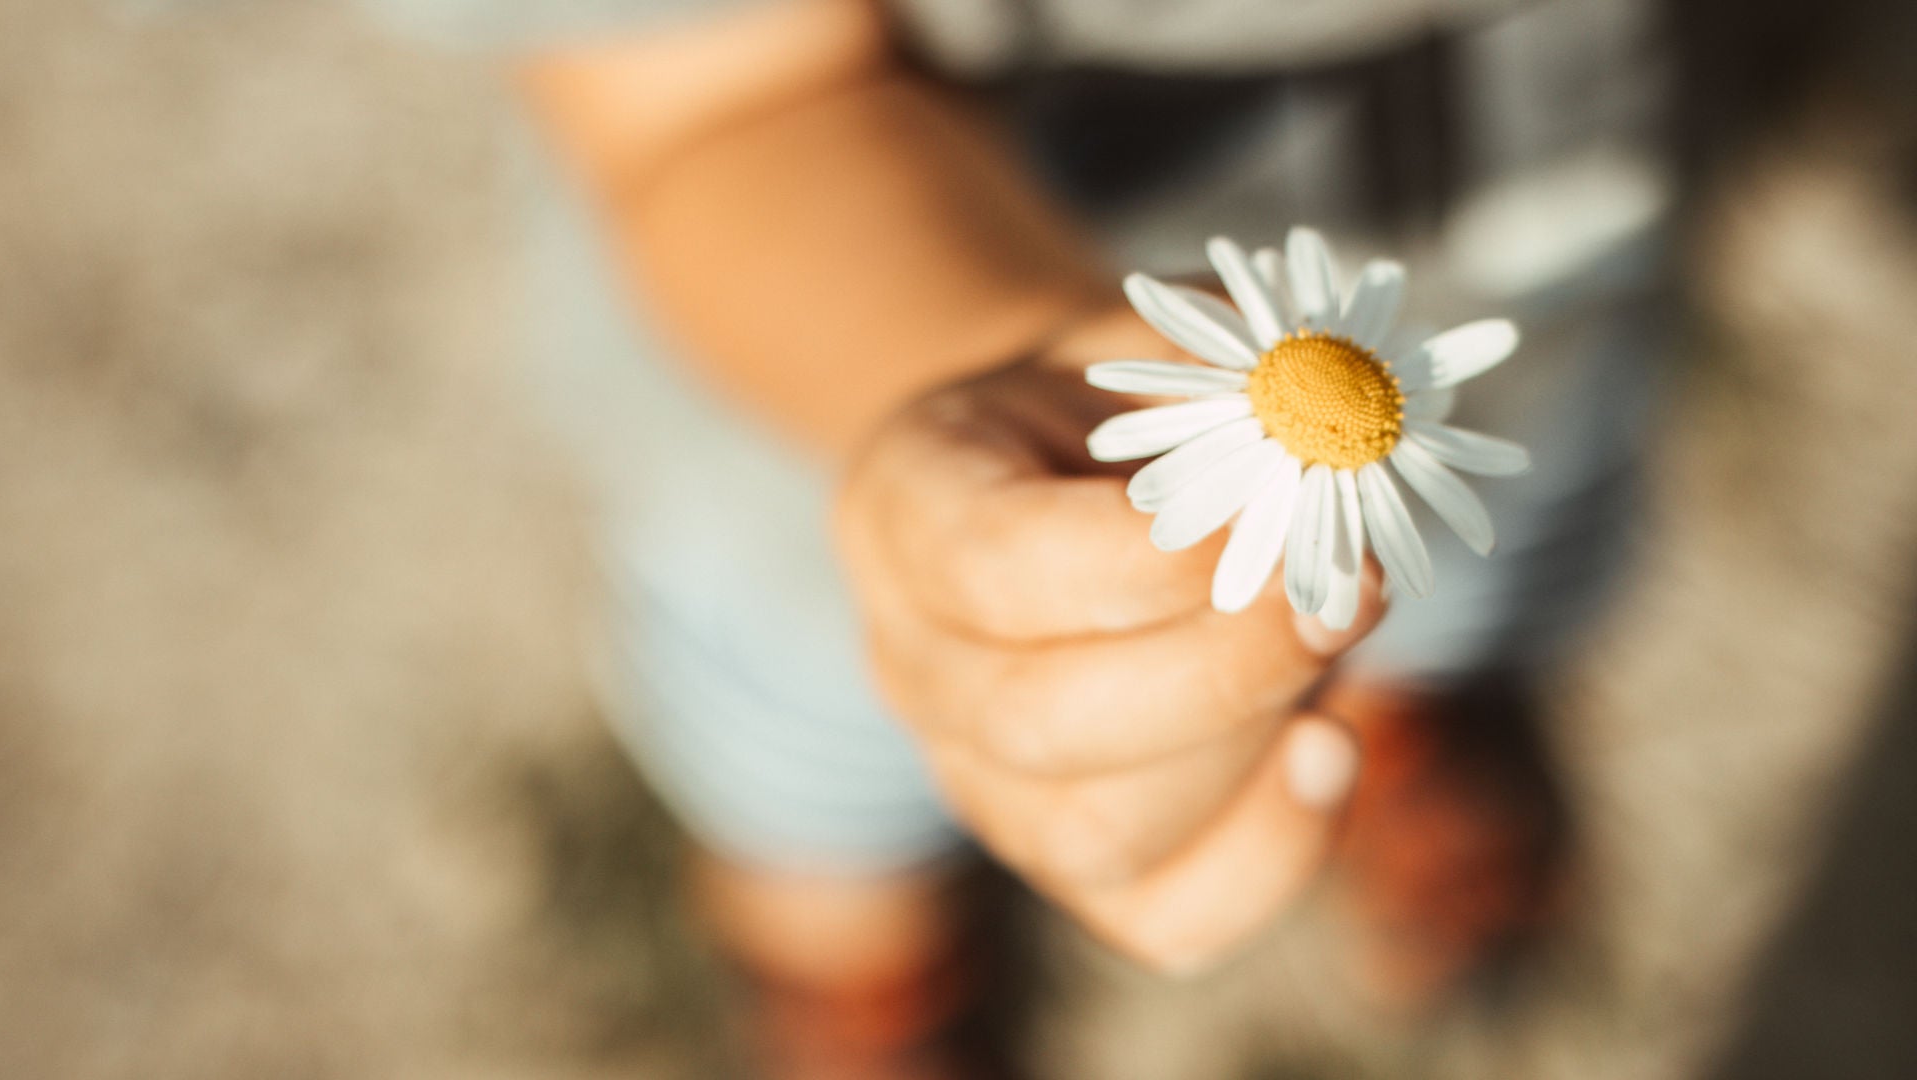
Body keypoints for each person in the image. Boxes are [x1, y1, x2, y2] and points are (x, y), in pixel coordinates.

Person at [368, 0, 1672, 1073]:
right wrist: (1010, 371)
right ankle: (858, 955)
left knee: (1423, 585)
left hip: (1532, 288)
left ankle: (1388, 715)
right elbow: (713, 104)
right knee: (824, 757)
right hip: (855, 404)